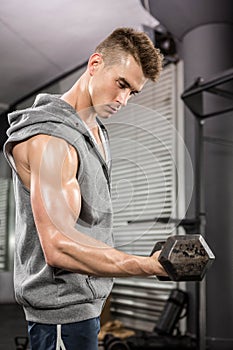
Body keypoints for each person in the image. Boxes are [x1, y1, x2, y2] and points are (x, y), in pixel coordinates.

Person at [4, 27, 166, 350]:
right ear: (95, 64)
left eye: (132, 92)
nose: (123, 100)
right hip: (60, 314)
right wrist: (149, 265)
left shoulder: (98, 132)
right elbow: (58, 247)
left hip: (88, 305)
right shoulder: (51, 142)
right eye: (121, 84)